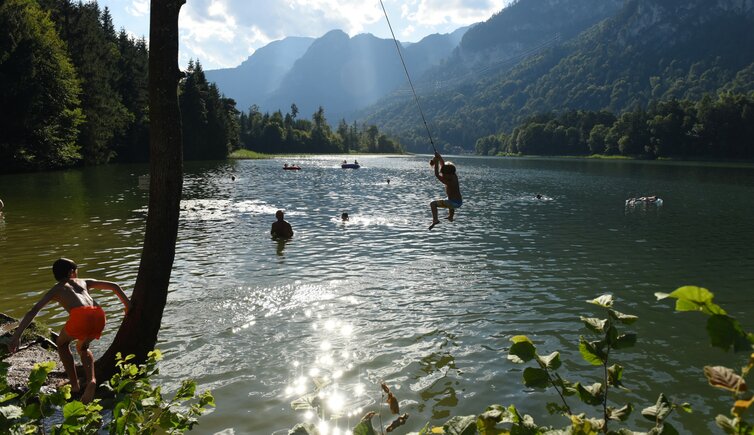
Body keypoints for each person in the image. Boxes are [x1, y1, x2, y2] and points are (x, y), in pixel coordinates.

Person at [7, 258, 131, 403]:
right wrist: (127, 305)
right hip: (99, 314)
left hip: (81, 316)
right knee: (83, 346)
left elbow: (33, 311)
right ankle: (91, 380)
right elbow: (114, 286)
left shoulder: (57, 289)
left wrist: (16, 335)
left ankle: (75, 386)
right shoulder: (83, 281)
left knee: (62, 343)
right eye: (76, 270)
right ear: (72, 272)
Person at [429, 152, 462, 230]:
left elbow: (437, 174)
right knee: (448, 199)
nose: (443, 175)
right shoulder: (453, 175)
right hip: (458, 202)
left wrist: (436, 163)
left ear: (449, 174)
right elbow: (443, 166)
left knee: (432, 204)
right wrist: (439, 157)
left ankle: (435, 220)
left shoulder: (449, 182)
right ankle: (450, 217)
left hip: (453, 203)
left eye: (444, 174)